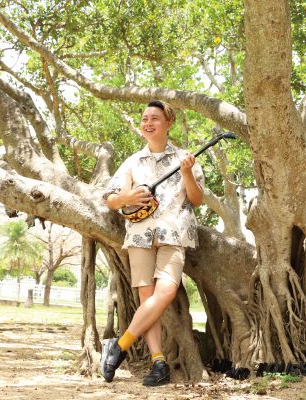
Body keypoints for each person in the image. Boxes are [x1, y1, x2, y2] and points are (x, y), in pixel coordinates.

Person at [101, 100, 204, 386]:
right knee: (148, 302)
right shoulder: (133, 162)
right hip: (139, 236)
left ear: (168, 122)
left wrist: (186, 173)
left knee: (166, 292)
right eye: (145, 118)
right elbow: (111, 199)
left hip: (174, 235)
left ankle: (119, 346)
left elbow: (197, 199)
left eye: (155, 118)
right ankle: (158, 363)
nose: (148, 123)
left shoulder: (185, 158)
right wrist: (127, 197)